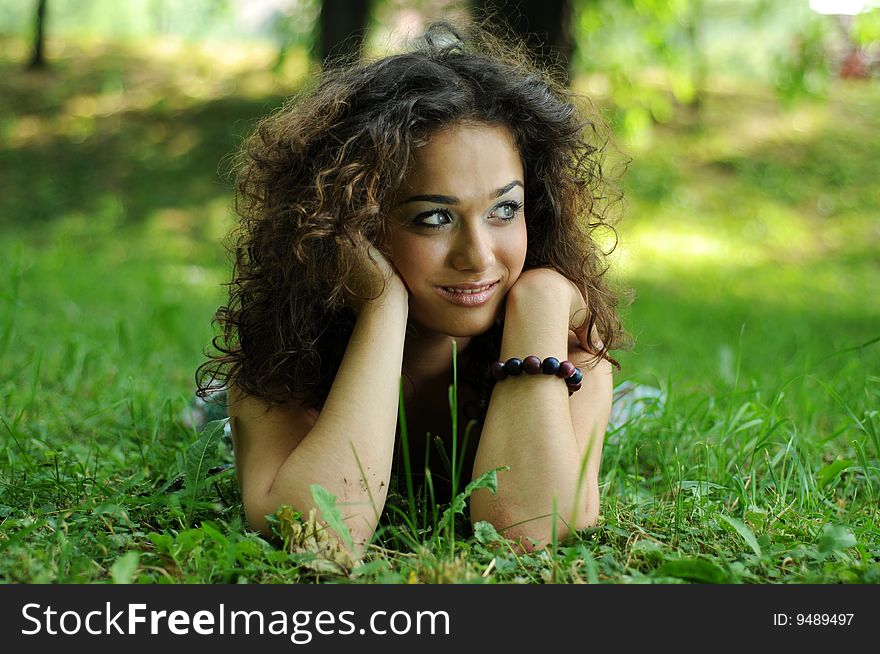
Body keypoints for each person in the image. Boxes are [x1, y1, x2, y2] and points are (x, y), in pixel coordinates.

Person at [197, 21, 627, 555]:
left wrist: (540, 299)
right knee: (206, 414)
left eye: (504, 210)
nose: (478, 256)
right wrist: (381, 304)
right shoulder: (287, 357)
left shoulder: (574, 357)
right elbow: (315, 538)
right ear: (351, 224)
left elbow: (528, 526)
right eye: (433, 218)